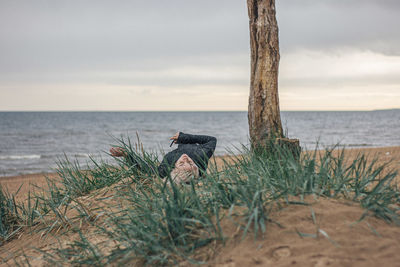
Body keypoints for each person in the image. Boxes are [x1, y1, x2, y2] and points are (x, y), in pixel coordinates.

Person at [110, 132, 217, 184]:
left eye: (181, 164)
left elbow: (146, 167)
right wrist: (184, 138)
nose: (186, 159)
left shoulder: (165, 169)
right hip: (186, 143)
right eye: (190, 163)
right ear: (195, 168)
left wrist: (126, 154)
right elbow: (212, 140)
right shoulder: (200, 155)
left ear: (174, 170)